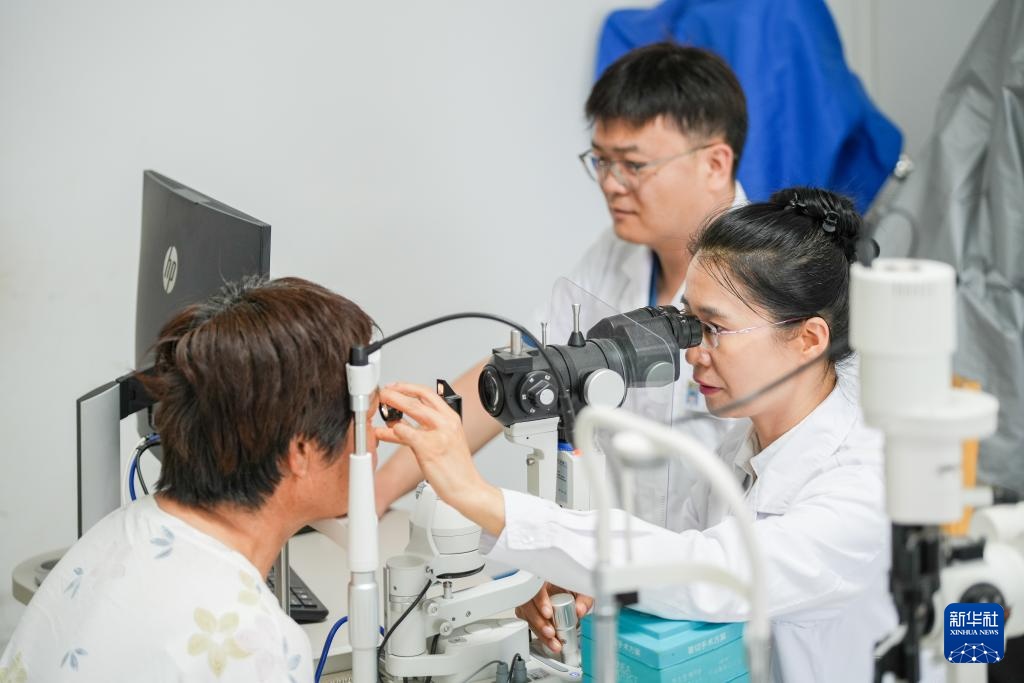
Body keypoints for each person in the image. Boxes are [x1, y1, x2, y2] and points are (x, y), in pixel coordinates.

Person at [375, 188, 896, 683]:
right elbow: (666, 554)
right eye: (688, 323)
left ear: (808, 338)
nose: (693, 353)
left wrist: (480, 497)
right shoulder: (745, 443)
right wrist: (578, 576)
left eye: (714, 329)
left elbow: (714, 574)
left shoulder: (862, 481)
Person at [374, 42, 750, 528]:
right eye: (602, 161)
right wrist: (378, 491)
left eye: (633, 165)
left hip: (720, 561)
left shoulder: (770, 280)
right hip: (612, 551)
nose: (611, 184)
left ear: (715, 163)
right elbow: (520, 370)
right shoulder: (615, 255)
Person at [0, 277, 375, 682]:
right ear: (301, 451)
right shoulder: (254, 643)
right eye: (367, 418)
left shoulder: (114, 535)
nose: (378, 436)